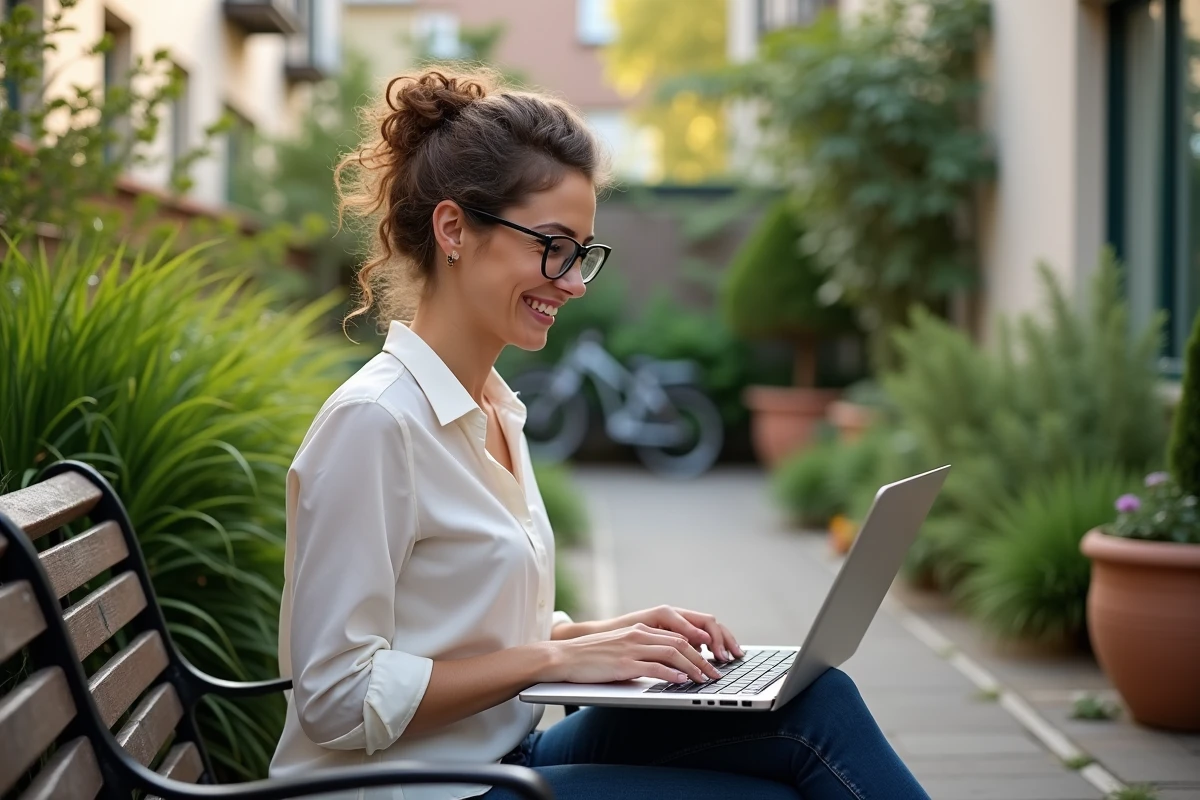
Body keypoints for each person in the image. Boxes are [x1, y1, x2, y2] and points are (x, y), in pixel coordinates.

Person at [269, 66, 930, 800]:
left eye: (582, 251)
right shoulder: (376, 424)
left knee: (816, 702)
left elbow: (467, 630)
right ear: (453, 229)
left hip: (493, 761)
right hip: (420, 789)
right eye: (553, 245)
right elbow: (334, 697)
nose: (574, 282)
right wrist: (553, 664)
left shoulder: (492, 405)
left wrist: (613, 636)